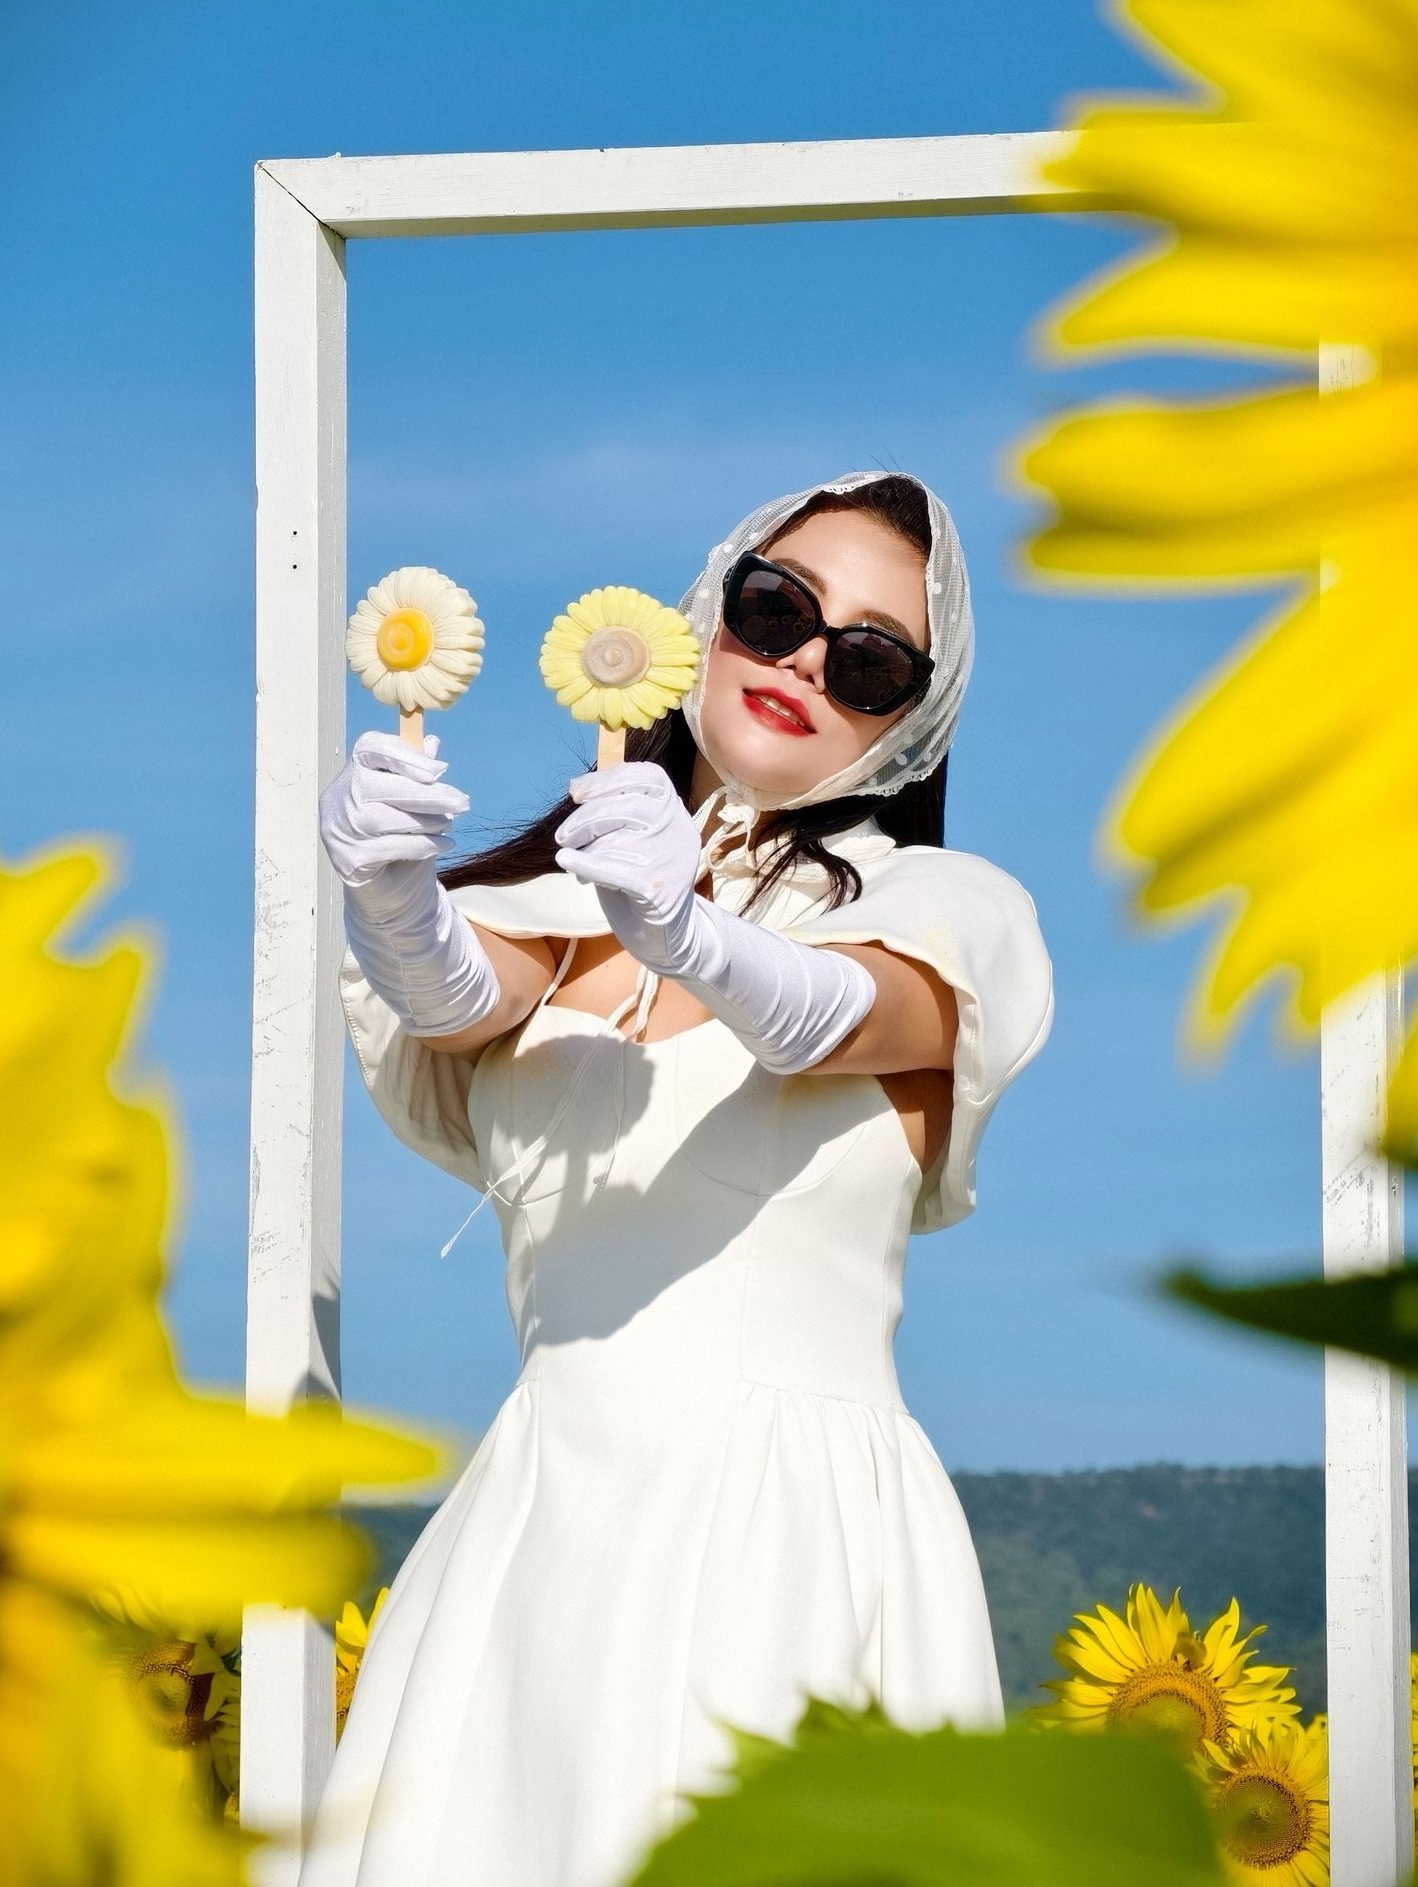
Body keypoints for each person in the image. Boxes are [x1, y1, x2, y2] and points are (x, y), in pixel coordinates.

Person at [302, 470, 1054, 1887]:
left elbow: (835, 1017)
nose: (804, 664)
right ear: (707, 614)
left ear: (911, 722)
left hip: (785, 1524)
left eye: (868, 659)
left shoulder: (943, 916)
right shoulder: (558, 901)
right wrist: (391, 893)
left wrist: (691, 935)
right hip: (537, 1519)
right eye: (776, 610)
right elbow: (456, 995)